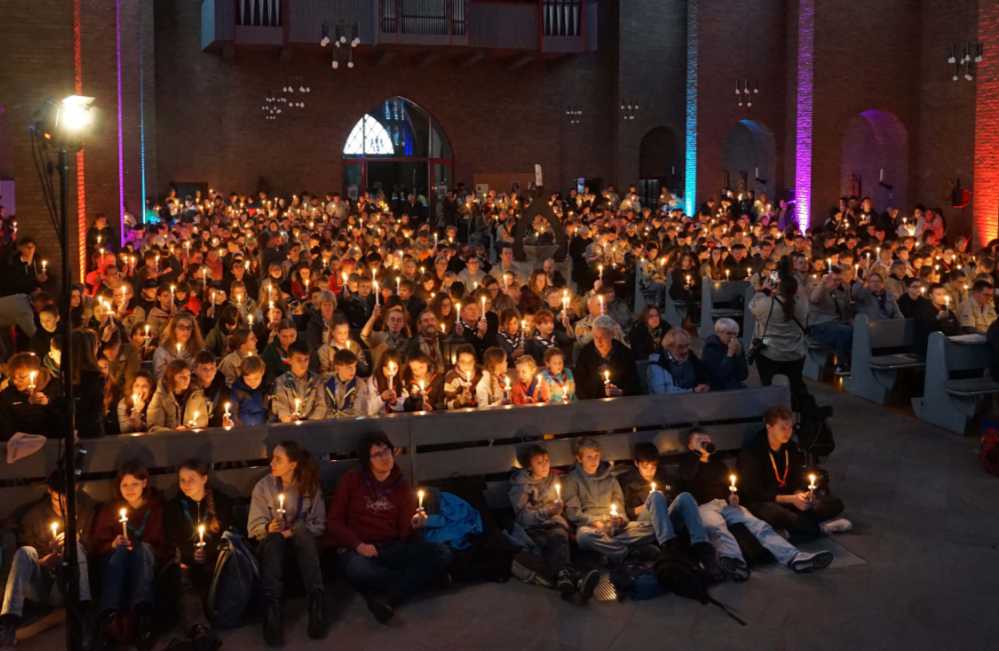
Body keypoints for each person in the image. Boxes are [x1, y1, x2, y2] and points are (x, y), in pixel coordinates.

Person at [326, 432, 452, 624]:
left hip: (391, 547)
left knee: (442, 552)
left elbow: (405, 533)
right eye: (377, 454)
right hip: (360, 549)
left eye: (387, 451)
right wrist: (358, 545)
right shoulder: (352, 480)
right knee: (358, 569)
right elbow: (334, 521)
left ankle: (389, 597)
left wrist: (415, 523)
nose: (385, 458)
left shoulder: (400, 484)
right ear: (367, 460)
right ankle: (421, 581)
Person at [676, 428, 833, 580]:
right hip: (703, 507)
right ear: (690, 445)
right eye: (699, 440)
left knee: (759, 526)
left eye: (706, 439)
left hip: (725, 504)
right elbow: (686, 477)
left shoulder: (719, 465)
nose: (704, 442)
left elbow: (728, 487)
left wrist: (732, 498)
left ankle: (795, 557)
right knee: (718, 528)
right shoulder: (687, 464)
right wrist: (697, 455)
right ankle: (735, 562)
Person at [0, 471, 96, 646]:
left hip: (67, 585)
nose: (62, 506)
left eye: (67, 500)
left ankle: (84, 612)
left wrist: (76, 540)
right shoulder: (34, 517)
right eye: (57, 500)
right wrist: (43, 562)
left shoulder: (85, 512)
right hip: (41, 585)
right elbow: (26, 562)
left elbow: (93, 549)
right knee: (26, 551)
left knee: (77, 547)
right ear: (50, 493)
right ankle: (9, 621)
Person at [247, 441, 328, 645]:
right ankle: (272, 611)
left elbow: (319, 524)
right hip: (274, 547)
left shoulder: (309, 485)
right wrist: (268, 528)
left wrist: (293, 531)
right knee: (274, 540)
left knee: (301, 529)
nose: (272, 463)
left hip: (303, 544)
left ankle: (316, 603)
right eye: (272, 458)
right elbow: (253, 527)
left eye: (278, 459)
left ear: (293, 465)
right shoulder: (264, 486)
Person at [738, 407, 852, 542]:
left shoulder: (790, 447)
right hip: (765, 501)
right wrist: (790, 499)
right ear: (769, 427)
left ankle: (793, 530)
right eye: (783, 428)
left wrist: (801, 494)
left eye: (790, 428)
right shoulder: (753, 451)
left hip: (790, 498)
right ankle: (819, 528)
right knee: (778, 515)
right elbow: (753, 492)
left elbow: (797, 478)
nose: (788, 432)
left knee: (835, 504)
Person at [90, 461, 168, 649]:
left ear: (144, 483)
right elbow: (97, 544)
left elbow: (162, 543)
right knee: (121, 551)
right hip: (117, 563)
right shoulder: (110, 510)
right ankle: (109, 617)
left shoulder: (155, 508)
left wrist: (141, 547)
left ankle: (143, 617)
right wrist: (112, 544)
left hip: (145, 563)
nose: (129, 489)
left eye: (134, 483)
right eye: (124, 485)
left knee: (143, 549)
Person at [507, 445, 600, 601]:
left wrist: (557, 511)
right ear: (530, 466)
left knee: (559, 538)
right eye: (539, 462)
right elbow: (523, 517)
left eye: (547, 460)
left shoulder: (553, 479)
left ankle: (566, 581)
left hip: (554, 525)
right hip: (533, 528)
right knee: (544, 549)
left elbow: (559, 507)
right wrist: (547, 512)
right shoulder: (521, 486)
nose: (545, 465)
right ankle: (574, 581)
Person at [616, 442, 721, 579]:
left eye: (653, 466)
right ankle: (671, 551)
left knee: (685, 497)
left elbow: (673, 496)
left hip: (667, 521)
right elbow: (625, 512)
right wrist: (644, 506)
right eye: (645, 466)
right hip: (643, 524)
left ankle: (704, 551)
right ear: (636, 463)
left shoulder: (663, 475)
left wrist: (667, 501)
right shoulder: (626, 481)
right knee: (655, 496)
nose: (650, 471)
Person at [162, 460, 237, 647]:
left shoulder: (221, 502)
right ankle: (199, 629)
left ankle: (217, 615)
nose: (185, 484)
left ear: (204, 479)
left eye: (191, 479)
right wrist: (191, 552)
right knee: (184, 579)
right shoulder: (174, 507)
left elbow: (226, 533)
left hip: (215, 560)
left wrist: (209, 551)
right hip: (187, 560)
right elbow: (174, 537)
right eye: (182, 480)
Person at [750, 274, 810, 407]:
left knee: (768, 385)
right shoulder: (802, 304)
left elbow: (752, 307)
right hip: (795, 353)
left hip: (770, 353)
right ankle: (795, 410)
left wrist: (762, 290)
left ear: (778, 288)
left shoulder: (767, 304)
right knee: (795, 384)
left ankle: (772, 411)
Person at [574, 315, 640, 399]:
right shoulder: (586, 354)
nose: (598, 341)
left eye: (603, 336)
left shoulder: (624, 353)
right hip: (593, 405)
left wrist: (621, 392)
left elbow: (634, 384)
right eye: (595, 337)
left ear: (611, 334)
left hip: (620, 403)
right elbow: (579, 384)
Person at [0, 352, 62, 441]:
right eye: (13, 377)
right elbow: (6, 429)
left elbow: (61, 421)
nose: (16, 381)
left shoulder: (56, 388)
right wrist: (28, 404)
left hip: (51, 444)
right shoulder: (7, 395)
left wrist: (48, 403)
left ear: (36, 373)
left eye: (22, 377)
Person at [807, 268, 854, 375]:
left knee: (858, 330)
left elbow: (846, 310)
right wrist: (822, 283)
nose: (837, 283)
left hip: (835, 323)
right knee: (844, 331)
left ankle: (855, 363)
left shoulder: (838, 292)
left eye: (839, 280)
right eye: (834, 280)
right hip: (818, 326)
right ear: (826, 279)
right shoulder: (818, 288)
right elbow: (814, 299)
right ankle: (842, 364)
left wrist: (847, 289)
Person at [147, 359, 209, 432]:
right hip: (168, 441)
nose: (186, 379)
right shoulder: (160, 397)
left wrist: (190, 427)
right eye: (181, 376)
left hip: (192, 440)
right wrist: (174, 432)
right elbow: (154, 427)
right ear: (171, 377)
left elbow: (203, 420)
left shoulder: (196, 395)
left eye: (188, 375)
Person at [271, 341, 324, 422]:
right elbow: (280, 406)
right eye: (299, 360)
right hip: (290, 426)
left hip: (312, 425)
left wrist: (311, 422)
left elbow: (321, 405)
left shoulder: (317, 380)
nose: (303, 364)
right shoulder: (281, 381)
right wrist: (288, 418)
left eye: (306, 359)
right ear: (289, 360)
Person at [647, 328, 710, 394]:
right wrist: (692, 390)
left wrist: (704, 386)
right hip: (666, 402)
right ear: (669, 346)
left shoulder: (692, 358)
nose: (685, 350)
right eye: (680, 347)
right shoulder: (658, 362)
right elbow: (662, 391)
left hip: (692, 400)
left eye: (687, 346)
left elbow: (703, 378)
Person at [321, 348, 372, 418]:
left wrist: (337, 416)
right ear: (337, 368)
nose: (353, 370)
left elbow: (358, 411)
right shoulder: (326, 382)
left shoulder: (359, 384)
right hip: (330, 424)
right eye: (349, 367)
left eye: (354, 366)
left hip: (351, 424)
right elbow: (323, 408)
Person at [701, 317, 748, 390]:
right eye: (729, 333)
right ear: (718, 333)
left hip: (734, 385)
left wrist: (738, 355)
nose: (732, 337)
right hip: (716, 388)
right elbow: (718, 377)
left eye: (735, 334)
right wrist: (729, 355)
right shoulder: (710, 347)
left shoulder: (738, 344)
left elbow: (743, 376)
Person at [228, 355, 270, 426]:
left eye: (256, 378)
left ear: (262, 373)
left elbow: (271, 412)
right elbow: (233, 412)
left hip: (264, 429)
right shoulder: (237, 389)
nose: (252, 382)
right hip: (243, 430)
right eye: (248, 379)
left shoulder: (267, 388)